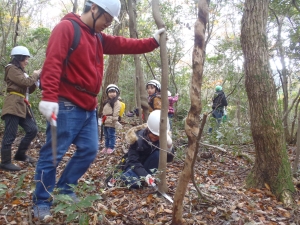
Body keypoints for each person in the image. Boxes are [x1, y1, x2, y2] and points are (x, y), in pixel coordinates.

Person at [33, 0, 165, 220]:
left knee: (90, 149)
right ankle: (41, 201)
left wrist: (153, 42)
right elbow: (53, 62)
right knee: (52, 154)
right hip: (66, 104)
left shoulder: (98, 37)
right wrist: (48, 98)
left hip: (88, 108)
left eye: (111, 21)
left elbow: (125, 44)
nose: (107, 24)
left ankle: (65, 189)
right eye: (106, 18)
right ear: (93, 8)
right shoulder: (67, 28)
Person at [107, 110, 174, 189]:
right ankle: (122, 178)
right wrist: (145, 176)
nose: (156, 138)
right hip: (135, 167)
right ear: (148, 130)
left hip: (149, 166)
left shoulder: (163, 139)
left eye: (159, 136)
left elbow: (168, 160)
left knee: (157, 154)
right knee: (132, 182)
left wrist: (169, 147)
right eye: (154, 135)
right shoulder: (136, 138)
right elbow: (133, 161)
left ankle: (146, 180)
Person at [0, 46, 41, 171]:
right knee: (10, 134)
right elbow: (25, 82)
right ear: (19, 58)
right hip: (13, 104)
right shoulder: (11, 68)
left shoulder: (20, 71)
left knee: (32, 129)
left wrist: (36, 79)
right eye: (25, 59)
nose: (26, 62)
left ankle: (20, 154)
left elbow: (29, 88)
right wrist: (34, 75)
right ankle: (5, 162)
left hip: (22, 105)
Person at [100, 84, 121, 154]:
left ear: (117, 93)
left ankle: (111, 147)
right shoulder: (106, 102)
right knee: (106, 135)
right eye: (110, 92)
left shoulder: (116, 102)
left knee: (111, 135)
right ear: (107, 93)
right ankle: (106, 146)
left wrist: (115, 120)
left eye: (113, 92)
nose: (112, 94)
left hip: (111, 121)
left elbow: (116, 112)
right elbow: (104, 111)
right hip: (105, 121)